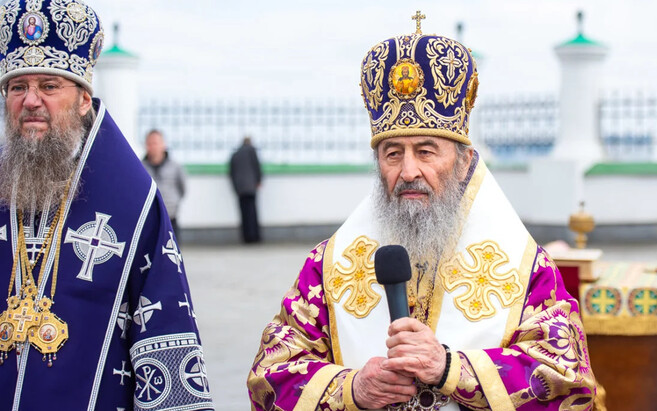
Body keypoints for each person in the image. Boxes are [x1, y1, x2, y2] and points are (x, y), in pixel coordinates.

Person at [248, 16, 597, 410]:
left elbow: (568, 382)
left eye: (426, 151)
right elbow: (271, 374)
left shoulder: (525, 267)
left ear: (464, 161)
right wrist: (352, 390)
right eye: (393, 153)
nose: (408, 172)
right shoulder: (327, 264)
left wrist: (451, 368)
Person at [0, 1, 213, 410]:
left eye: (48, 86)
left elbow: (164, 331)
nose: (30, 101)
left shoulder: (133, 203)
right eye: (17, 87)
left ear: (83, 99)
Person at [142, 129, 187, 243]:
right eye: (149, 143)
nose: (153, 147)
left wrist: (174, 202)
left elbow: (182, 188)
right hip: (148, 219)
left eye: (155, 143)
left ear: (163, 144)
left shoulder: (175, 166)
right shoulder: (140, 168)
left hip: (170, 217)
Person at [229, 136, 262, 243]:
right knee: (252, 212)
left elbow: (231, 173)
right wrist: (258, 180)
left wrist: (235, 187)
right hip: (251, 186)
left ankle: (246, 237)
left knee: (243, 213)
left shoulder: (235, 154)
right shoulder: (252, 151)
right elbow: (256, 166)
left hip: (240, 188)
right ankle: (254, 236)